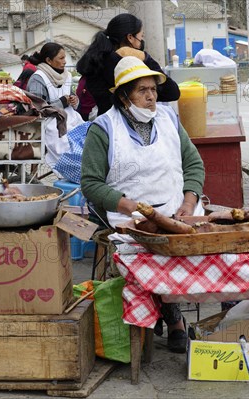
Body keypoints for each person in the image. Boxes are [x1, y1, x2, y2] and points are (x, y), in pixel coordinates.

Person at [80, 56, 205, 353]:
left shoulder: (168, 118)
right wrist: (129, 206)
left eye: (153, 89)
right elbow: (91, 183)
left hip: (177, 208)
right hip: (128, 216)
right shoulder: (103, 128)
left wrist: (189, 202)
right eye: (142, 91)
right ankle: (171, 317)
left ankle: (169, 309)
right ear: (123, 96)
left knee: (188, 245)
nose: (151, 97)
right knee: (147, 251)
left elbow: (194, 164)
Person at [76, 13, 180, 115]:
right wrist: (145, 57)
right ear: (130, 37)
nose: (141, 43)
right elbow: (172, 92)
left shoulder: (98, 61)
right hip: (123, 126)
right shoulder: (126, 67)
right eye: (141, 37)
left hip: (104, 122)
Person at [26, 42, 84, 168]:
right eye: (61, 58)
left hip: (71, 119)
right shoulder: (38, 79)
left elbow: (72, 95)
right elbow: (38, 109)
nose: (64, 61)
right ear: (49, 60)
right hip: (50, 123)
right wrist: (62, 102)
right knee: (69, 151)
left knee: (87, 141)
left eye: (65, 58)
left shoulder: (67, 76)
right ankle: (72, 172)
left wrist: (74, 100)